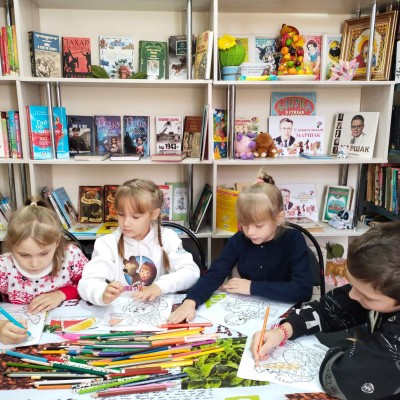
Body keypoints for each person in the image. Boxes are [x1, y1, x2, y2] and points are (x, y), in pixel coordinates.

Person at [250, 222, 400, 400]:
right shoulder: (379, 290)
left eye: (366, 296)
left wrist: (349, 343)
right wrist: (284, 330)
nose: (352, 295)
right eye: (352, 284)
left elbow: (340, 378)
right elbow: (330, 308)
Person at [168, 169, 313, 324]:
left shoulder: (293, 239)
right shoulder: (239, 240)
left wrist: (252, 287)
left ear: (279, 218)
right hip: (250, 311)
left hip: (285, 314)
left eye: (258, 226)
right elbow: (214, 275)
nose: (250, 232)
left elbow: (303, 290)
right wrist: (191, 301)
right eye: (244, 224)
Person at [78, 179, 200, 306]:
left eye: (135, 217)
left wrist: (159, 286)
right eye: (121, 214)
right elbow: (87, 283)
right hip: (121, 311)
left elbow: (191, 272)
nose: (126, 223)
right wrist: (101, 293)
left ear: (154, 214)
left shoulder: (168, 238)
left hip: (159, 309)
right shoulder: (107, 243)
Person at [0, 198, 87, 344]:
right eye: (24, 255)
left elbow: (91, 284)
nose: (35, 264)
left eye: (44, 253)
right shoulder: (4, 266)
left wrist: (62, 294)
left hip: (68, 331)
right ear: (11, 246)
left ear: (57, 242)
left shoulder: (71, 256)